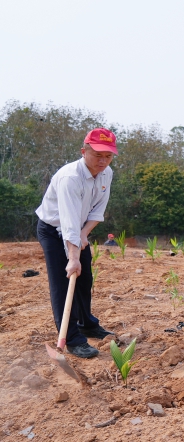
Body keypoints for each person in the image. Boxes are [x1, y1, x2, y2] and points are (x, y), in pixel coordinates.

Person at [35, 128, 118, 358]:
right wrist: (73, 258)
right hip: (53, 230)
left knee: (85, 279)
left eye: (108, 156)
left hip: (78, 229)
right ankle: (71, 339)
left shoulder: (106, 173)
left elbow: (98, 209)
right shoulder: (70, 178)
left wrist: (84, 234)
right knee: (64, 281)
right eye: (97, 155)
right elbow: (67, 222)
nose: (103, 161)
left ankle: (87, 324)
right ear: (84, 152)